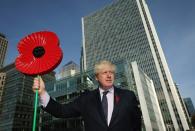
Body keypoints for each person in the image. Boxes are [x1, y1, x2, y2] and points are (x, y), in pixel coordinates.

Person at [32, 60, 141, 131]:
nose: (109, 75)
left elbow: (136, 123)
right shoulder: (86, 99)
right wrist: (42, 92)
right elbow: (61, 111)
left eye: (111, 72)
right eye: (104, 73)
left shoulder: (128, 96)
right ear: (97, 77)